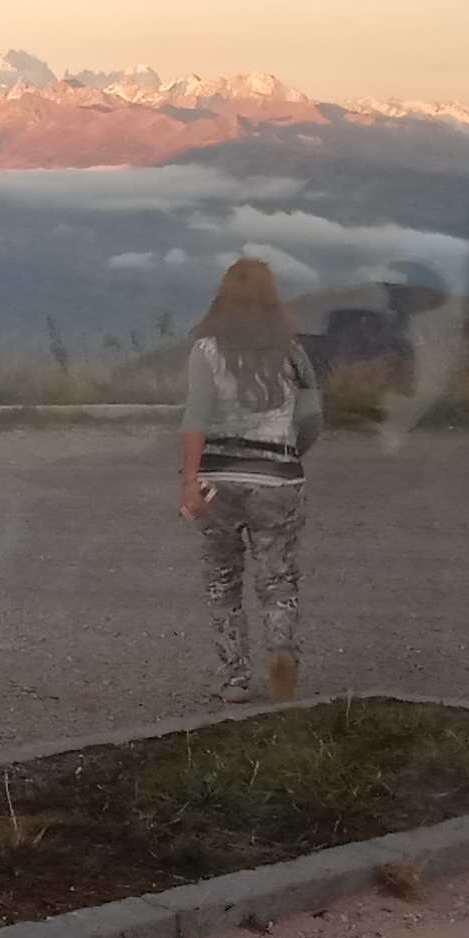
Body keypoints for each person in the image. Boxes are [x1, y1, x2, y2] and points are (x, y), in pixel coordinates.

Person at [178, 257, 324, 700]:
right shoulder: (293, 352)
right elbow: (312, 418)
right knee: (278, 577)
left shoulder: (206, 350)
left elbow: (196, 417)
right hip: (279, 478)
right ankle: (281, 651)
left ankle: (234, 678)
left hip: (217, 480)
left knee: (223, 578)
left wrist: (190, 481)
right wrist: (289, 454)